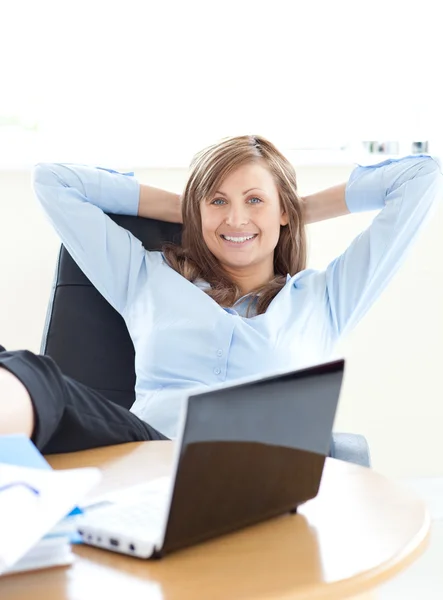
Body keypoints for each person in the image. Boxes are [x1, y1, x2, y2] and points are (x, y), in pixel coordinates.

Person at [0, 135, 442, 454]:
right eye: (217, 201)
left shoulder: (325, 298)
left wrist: (297, 210)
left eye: (254, 200)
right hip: (148, 454)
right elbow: (53, 181)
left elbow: (420, 176)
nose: (235, 219)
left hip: (258, 470)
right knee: (28, 372)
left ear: (283, 209)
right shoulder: (145, 277)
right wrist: (191, 208)